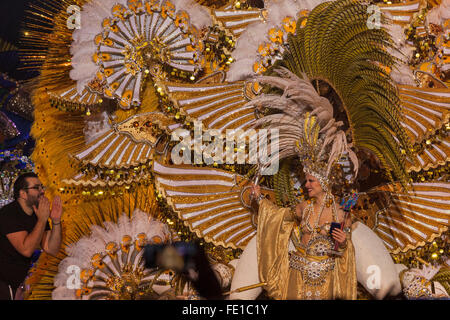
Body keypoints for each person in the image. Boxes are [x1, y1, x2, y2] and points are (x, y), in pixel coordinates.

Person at [250, 171, 357, 300]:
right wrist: (259, 198)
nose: (306, 185)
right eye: (306, 181)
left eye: (311, 181)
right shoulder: (304, 207)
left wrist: (344, 242)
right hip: (298, 273)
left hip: (326, 277)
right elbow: (277, 216)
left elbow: (345, 250)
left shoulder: (341, 213)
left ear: (324, 182)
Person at [0, 172, 63, 300]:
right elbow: (26, 250)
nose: (42, 191)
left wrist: (56, 220)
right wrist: (42, 220)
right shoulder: (9, 213)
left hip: (17, 283)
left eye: (42, 187)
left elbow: (52, 248)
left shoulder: (38, 214)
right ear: (23, 193)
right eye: (36, 188)